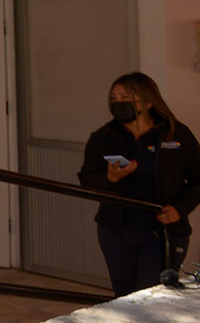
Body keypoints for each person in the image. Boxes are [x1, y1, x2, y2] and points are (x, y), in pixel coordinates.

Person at [78, 72, 200, 297]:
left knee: (153, 296)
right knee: (124, 297)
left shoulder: (176, 134)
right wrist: (110, 179)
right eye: (113, 98)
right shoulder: (103, 137)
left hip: (163, 231)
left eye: (125, 97)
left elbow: (198, 178)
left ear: (148, 101)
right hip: (117, 231)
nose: (117, 102)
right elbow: (86, 179)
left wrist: (179, 210)